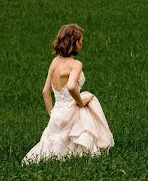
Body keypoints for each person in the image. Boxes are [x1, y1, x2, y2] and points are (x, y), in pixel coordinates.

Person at [22, 23, 114, 164]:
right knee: (85, 116)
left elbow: (45, 91)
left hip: (58, 111)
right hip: (70, 109)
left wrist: (52, 113)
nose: (82, 43)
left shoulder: (54, 62)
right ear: (74, 43)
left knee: (52, 150)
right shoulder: (75, 64)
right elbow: (71, 86)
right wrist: (80, 102)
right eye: (80, 40)